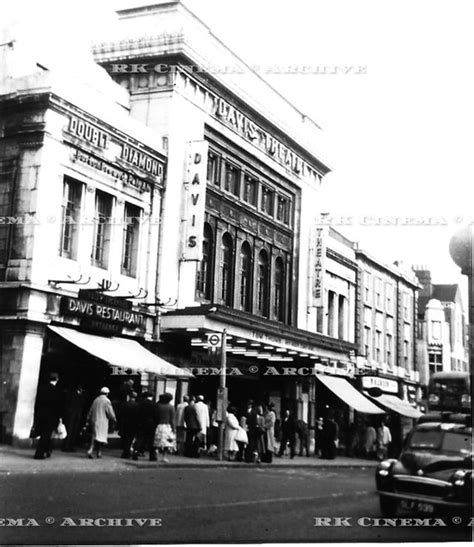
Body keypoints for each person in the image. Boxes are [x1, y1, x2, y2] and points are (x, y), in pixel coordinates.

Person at [33, 372, 62, 459]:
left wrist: (37, 414)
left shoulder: (42, 388)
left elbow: (37, 402)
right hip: (50, 417)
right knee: (46, 435)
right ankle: (40, 454)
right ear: (57, 379)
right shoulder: (56, 391)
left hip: (41, 415)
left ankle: (47, 450)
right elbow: (57, 406)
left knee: (43, 435)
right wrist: (58, 418)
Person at [86, 387, 116, 459]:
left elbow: (91, 410)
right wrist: (114, 418)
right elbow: (110, 412)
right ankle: (93, 451)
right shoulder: (107, 401)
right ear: (107, 393)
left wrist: (88, 418)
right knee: (100, 438)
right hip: (102, 422)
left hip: (94, 420)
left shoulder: (96, 400)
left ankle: (96, 452)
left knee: (95, 436)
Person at [133, 391, 158, 461]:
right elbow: (157, 416)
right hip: (151, 424)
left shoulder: (140, 404)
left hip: (141, 424)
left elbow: (137, 414)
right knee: (151, 440)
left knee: (140, 439)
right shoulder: (154, 404)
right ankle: (152, 456)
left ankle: (135, 453)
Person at [61, 385, 85, 452]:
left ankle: (70, 446)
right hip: (72, 416)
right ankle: (67, 446)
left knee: (73, 432)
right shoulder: (73, 395)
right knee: (70, 431)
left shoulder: (77, 396)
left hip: (74, 416)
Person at [154, 393, 175, 463]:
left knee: (156, 441)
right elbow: (172, 419)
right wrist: (173, 428)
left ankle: (155, 454)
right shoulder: (171, 407)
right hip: (167, 425)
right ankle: (164, 457)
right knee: (167, 443)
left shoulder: (158, 406)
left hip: (158, 425)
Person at [118, 391, 138, 459]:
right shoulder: (137, 405)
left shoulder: (124, 404)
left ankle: (125, 452)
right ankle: (128, 452)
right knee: (130, 438)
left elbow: (120, 414)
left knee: (125, 438)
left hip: (125, 423)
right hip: (133, 424)